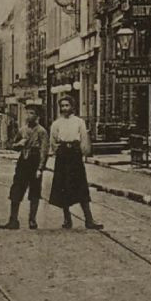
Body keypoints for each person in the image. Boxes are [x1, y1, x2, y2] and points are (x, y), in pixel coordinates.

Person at [45, 96, 102, 230]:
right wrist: (58, 150)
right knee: (63, 187)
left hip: (75, 156)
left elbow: (84, 138)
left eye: (67, 105)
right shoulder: (56, 123)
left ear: (72, 106)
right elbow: (53, 141)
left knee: (81, 187)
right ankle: (67, 219)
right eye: (62, 106)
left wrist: (84, 151)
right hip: (63, 156)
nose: (65, 108)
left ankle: (89, 220)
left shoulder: (79, 122)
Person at [6, 106, 46, 230]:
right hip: (23, 161)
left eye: (32, 113)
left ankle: (32, 220)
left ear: (37, 116)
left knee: (34, 191)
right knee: (17, 188)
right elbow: (11, 145)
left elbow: (44, 151)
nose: (28, 115)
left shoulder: (41, 131)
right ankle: (13, 219)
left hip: (34, 160)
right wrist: (19, 144)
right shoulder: (22, 130)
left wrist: (40, 168)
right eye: (27, 113)